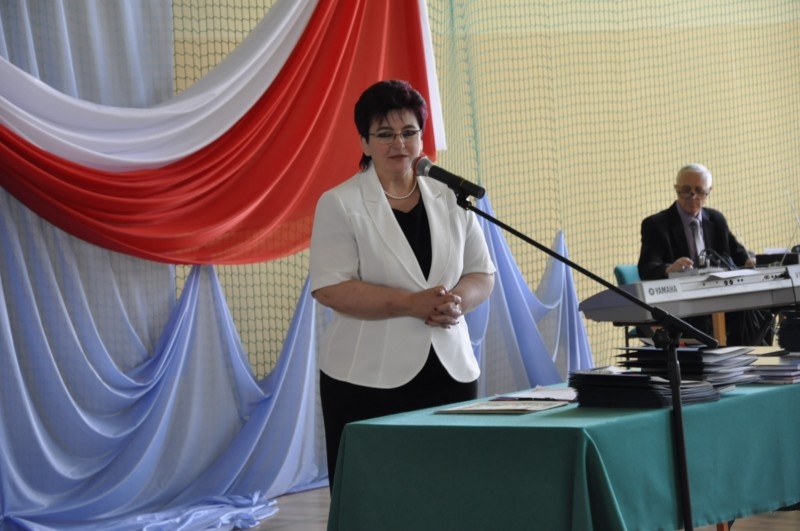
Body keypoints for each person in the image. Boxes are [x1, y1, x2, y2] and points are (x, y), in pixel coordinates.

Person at [309, 79, 496, 488]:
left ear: (422, 138)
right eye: (385, 134)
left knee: (451, 489)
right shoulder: (340, 203)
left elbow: (482, 274)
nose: (399, 143)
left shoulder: (450, 196)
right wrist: (411, 303)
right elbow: (330, 288)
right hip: (366, 377)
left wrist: (456, 301)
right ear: (364, 142)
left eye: (409, 132)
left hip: (450, 370)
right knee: (378, 494)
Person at [638, 162, 772, 346]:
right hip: (681, 303)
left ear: (709, 192)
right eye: (686, 190)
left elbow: (737, 252)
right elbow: (646, 267)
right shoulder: (656, 225)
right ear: (676, 189)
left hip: (720, 298)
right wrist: (669, 269)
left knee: (758, 310)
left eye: (699, 191)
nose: (692, 196)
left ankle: (750, 359)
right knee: (703, 320)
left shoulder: (716, 220)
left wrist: (749, 261)